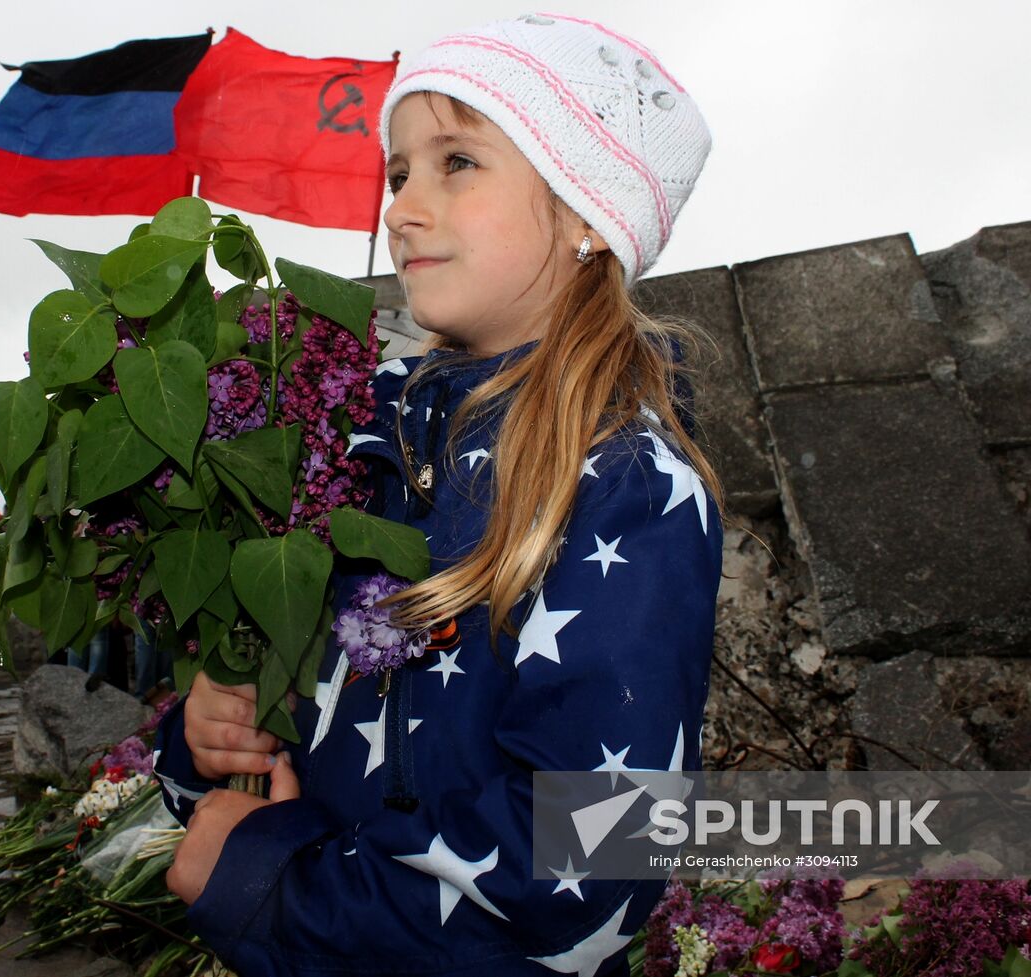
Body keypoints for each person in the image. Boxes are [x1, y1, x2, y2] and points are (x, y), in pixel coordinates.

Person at [153, 15, 725, 975]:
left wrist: (271, 886)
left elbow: (591, 862)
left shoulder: (630, 487)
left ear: (586, 211)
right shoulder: (357, 444)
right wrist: (206, 736)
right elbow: (288, 736)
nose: (403, 208)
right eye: (398, 173)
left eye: (457, 162)